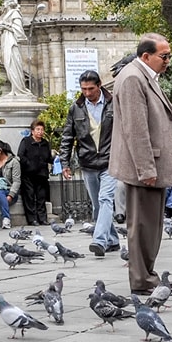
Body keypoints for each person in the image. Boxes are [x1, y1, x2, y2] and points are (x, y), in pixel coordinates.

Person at [108, 33, 172, 295]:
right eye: (164, 56)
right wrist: (146, 169)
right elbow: (136, 130)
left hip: (152, 165)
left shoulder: (143, 76)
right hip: (144, 169)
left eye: (169, 55)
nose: (168, 61)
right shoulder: (133, 78)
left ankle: (147, 275)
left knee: (150, 226)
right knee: (141, 227)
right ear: (146, 56)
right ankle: (142, 280)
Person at [58, 69, 119, 255]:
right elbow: (67, 136)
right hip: (87, 162)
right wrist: (65, 163)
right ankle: (114, 240)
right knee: (97, 205)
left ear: (99, 85)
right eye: (83, 89)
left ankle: (99, 240)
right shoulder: (76, 108)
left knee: (105, 198)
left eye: (90, 89)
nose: (87, 93)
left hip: (110, 160)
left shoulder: (113, 103)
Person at [17, 119, 52, 226]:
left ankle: (42, 218)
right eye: (37, 129)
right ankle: (32, 219)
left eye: (42, 130)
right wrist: (29, 164)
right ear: (32, 131)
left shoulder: (45, 143)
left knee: (41, 197)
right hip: (28, 174)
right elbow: (21, 156)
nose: (40, 132)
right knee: (29, 196)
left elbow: (48, 157)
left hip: (42, 174)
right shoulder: (26, 141)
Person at [0, 0, 31, 95]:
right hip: (6, 40)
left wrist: (5, 26)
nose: (3, 4)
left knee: (13, 64)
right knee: (8, 64)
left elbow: (19, 30)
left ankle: (19, 89)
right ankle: (14, 89)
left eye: (4, 2)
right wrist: (1, 27)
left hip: (12, 42)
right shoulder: (6, 14)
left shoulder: (15, 13)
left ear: (8, 3)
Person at [0, 139, 21, 229]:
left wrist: (11, 195)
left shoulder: (14, 162)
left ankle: (6, 218)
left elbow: (17, 181)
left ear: (0, 151)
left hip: (7, 190)